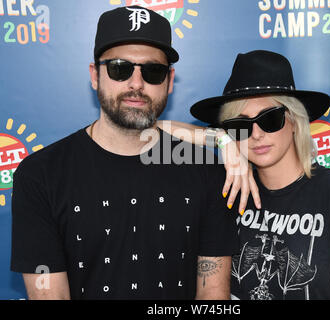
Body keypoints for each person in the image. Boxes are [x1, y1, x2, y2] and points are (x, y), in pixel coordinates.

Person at [10, 6, 239, 300]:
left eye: (153, 72)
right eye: (120, 68)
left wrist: (221, 139)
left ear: (169, 81)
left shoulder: (207, 170)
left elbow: (213, 298)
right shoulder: (40, 175)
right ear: (95, 75)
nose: (136, 84)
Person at [175, 50, 330, 299]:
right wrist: (219, 138)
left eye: (270, 119)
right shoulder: (226, 192)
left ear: (295, 121)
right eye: (240, 125)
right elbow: (139, 132)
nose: (256, 134)